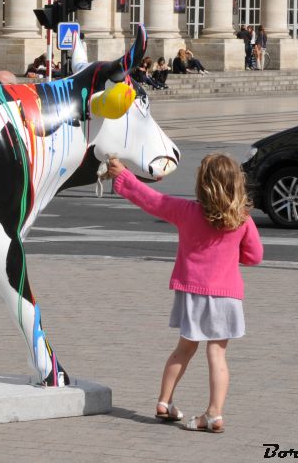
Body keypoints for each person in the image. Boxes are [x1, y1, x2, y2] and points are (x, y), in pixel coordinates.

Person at [106, 153, 263, 433]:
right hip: (226, 296)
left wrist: (123, 176)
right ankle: (214, 414)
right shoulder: (242, 219)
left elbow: (152, 200)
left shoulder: (186, 211)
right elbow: (254, 256)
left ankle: (164, 403)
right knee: (217, 355)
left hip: (192, 293)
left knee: (183, 349)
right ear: (236, 184)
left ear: (202, 184)